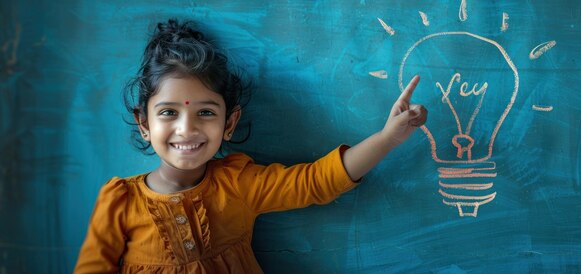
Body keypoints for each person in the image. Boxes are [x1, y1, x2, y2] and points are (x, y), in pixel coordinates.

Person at [75, 19, 427, 273]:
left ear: (228, 123)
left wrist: (387, 139)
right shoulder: (119, 202)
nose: (187, 128)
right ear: (144, 124)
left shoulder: (239, 184)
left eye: (206, 113)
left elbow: (316, 182)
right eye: (168, 112)